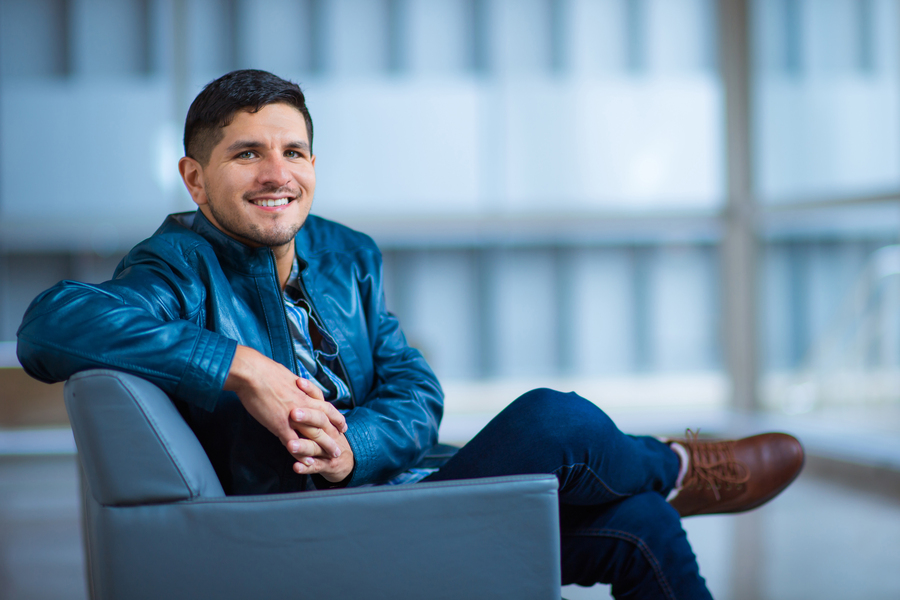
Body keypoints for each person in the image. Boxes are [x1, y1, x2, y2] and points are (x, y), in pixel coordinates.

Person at [17, 69, 803, 599]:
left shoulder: (344, 255)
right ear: (195, 178)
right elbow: (49, 323)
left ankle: (659, 482)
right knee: (553, 418)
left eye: (293, 151)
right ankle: (668, 462)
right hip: (307, 525)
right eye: (245, 153)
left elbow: (413, 385)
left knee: (640, 526)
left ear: (314, 164)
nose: (275, 173)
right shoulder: (178, 265)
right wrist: (240, 367)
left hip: (387, 488)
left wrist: (357, 444)